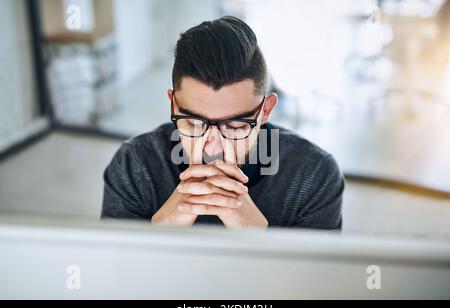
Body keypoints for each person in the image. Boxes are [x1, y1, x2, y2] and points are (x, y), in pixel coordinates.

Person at [101, 16, 344, 229]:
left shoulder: (315, 175)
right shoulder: (133, 165)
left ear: (266, 110)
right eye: (194, 124)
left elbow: (316, 281)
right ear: (173, 105)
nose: (213, 147)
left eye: (235, 127)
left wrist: (258, 239)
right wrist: (162, 230)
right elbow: (114, 274)